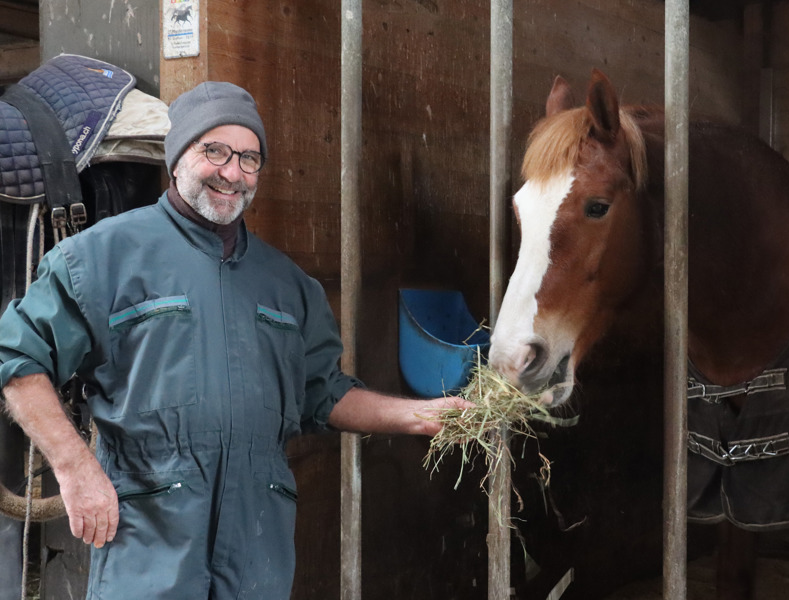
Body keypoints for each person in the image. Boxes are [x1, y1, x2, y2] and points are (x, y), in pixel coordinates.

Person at [0, 81, 464, 599]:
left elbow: (323, 393)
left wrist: (417, 416)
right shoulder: (101, 257)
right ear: (177, 159)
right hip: (149, 541)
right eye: (214, 151)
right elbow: (18, 359)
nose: (232, 172)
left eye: (249, 158)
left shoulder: (288, 286)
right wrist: (75, 468)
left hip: (255, 548)